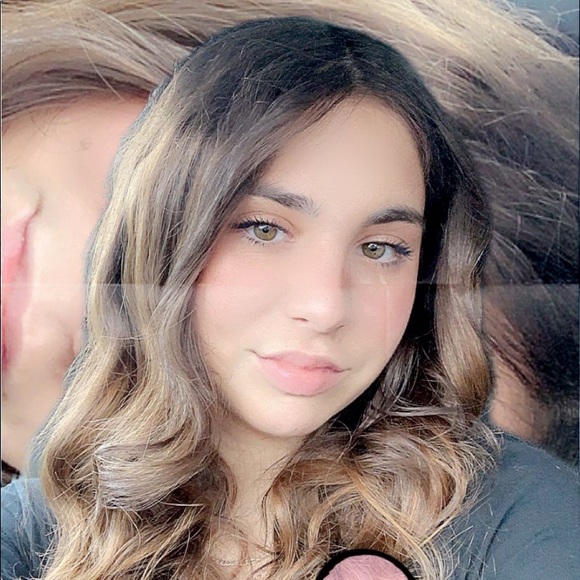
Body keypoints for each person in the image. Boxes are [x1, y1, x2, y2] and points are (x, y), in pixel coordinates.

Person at [2, 16, 578, 580]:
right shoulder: (37, 527)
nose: (325, 309)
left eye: (380, 249)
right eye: (263, 229)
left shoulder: (520, 520)